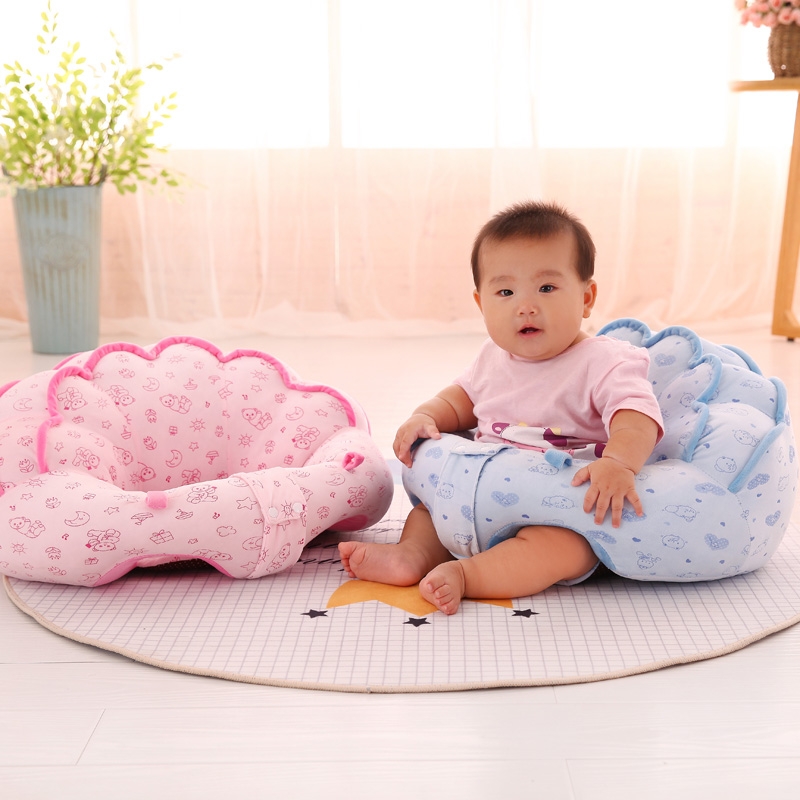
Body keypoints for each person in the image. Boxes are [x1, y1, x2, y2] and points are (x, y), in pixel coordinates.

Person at [339, 201, 664, 614]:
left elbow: (636, 418)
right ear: (481, 304)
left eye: (546, 288)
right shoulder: (492, 358)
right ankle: (411, 556)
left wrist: (619, 462)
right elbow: (459, 401)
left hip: (551, 506)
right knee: (429, 512)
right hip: (479, 493)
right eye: (505, 292)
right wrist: (426, 415)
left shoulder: (606, 361)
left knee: (565, 548)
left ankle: (468, 575)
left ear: (587, 297)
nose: (525, 305)